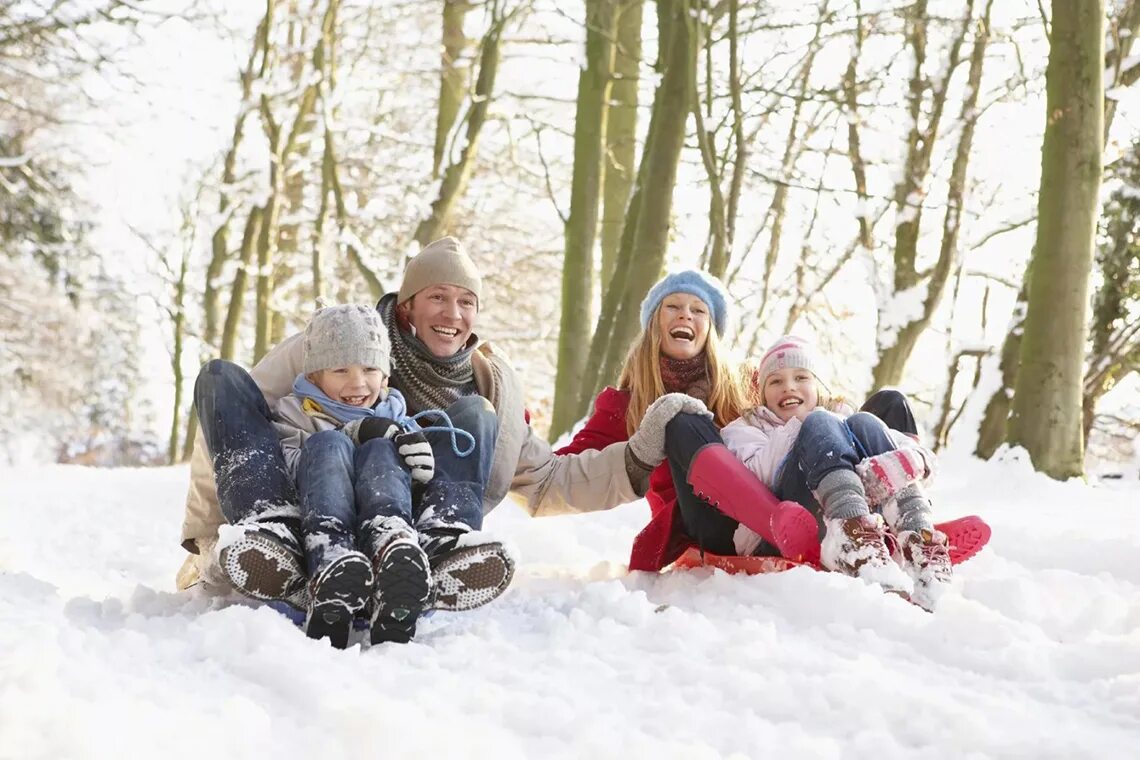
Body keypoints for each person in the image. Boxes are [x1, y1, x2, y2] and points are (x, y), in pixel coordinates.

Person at [179, 237, 681, 614]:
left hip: (406, 523)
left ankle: (439, 547)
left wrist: (638, 457)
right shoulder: (341, 342)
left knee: (475, 415)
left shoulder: (492, 385)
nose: (452, 313)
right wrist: (204, 539)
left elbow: (549, 481)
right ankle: (274, 534)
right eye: (438, 297)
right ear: (408, 307)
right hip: (312, 499)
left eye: (466, 302)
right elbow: (234, 426)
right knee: (221, 379)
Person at [557, 270, 823, 572]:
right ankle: (776, 523)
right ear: (654, 322)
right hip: (709, 526)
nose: (685, 315)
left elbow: (802, 408)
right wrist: (517, 438)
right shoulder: (626, 406)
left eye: (698, 310)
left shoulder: (746, 382)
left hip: (782, 504)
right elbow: (566, 471)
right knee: (678, 415)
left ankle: (846, 529)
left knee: (861, 414)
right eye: (673, 306)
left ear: (710, 329)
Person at [273, 303, 481, 647]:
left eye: (370, 368)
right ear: (314, 377)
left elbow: (414, 485)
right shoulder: (295, 413)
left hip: (383, 519)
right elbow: (288, 470)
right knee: (327, 444)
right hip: (324, 527)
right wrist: (352, 434)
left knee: (384, 449)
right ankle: (332, 568)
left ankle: (394, 557)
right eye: (340, 370)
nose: (357, 383)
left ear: (385, 377)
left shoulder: (397, 417)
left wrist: (418, 467)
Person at [720, 335, 952, 610]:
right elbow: (755, 477)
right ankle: (852, 540)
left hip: (863, 514)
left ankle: (919, 542)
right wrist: (804, 425)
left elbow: (914, 455)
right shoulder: (747, 427)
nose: (789, 387)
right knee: (821, 422)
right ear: (762, 394)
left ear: (818, 386)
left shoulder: (844, 417)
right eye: (775, 381)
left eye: (801, 377)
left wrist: (915, 459)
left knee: (865, 422)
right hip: (784, 521)